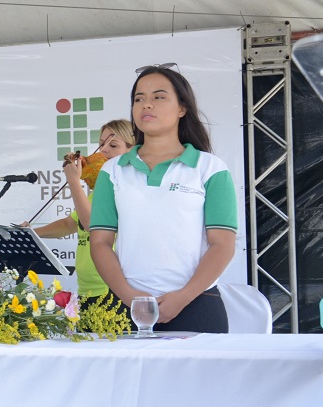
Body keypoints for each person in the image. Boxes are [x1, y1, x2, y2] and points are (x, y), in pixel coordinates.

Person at [90, 64, 238, 332]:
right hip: (126, 307)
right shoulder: (112, 171)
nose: (146, 104)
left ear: (182, 108)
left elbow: (222, 244)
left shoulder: (210, 168)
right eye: (139, 99)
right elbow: (100, 242)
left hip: (197, 303)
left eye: (159, 97)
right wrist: (130, 297)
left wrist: (183, 297)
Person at [22, 119, 133, 307]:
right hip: (87, 289)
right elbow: (69, 224)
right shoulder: (100, 190)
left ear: (132, 150)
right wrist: (30, 233)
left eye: (113, 145)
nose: (103, 150)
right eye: (101, 144)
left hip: (113, 289)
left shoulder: (128, 189)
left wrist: (74, 182)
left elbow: (91, 224)